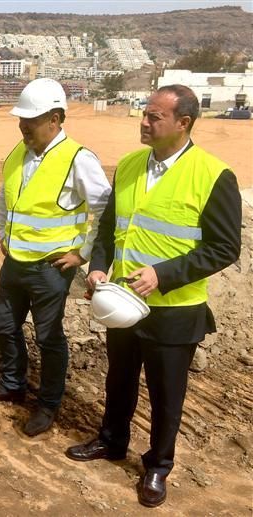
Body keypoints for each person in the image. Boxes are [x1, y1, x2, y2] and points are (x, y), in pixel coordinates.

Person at [65, 85, 241, 508]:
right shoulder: (127, 166)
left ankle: (158, 465)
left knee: (166, 393)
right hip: (121, 301)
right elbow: (109, 229)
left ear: (184, 123)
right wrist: (98, 267)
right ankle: (111, 441)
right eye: (144, 114)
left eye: (154, 117)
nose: (144, 123)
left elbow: (223, 248)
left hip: (174, 310)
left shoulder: (213, 175)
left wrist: (163, 275)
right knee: (118, 379)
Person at [0, 78, 111, 436]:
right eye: (21, 119)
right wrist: (4, 233)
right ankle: (13, 385)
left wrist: (82, 252)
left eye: (30, 120)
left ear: (55, 118)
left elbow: (104, 208)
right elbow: (6, 198)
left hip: (51, 267)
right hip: (15, 261)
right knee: (4, 325)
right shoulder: (18, 152)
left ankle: (47, 405)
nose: (23, 126)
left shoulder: (78, 158)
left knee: (49, 337)